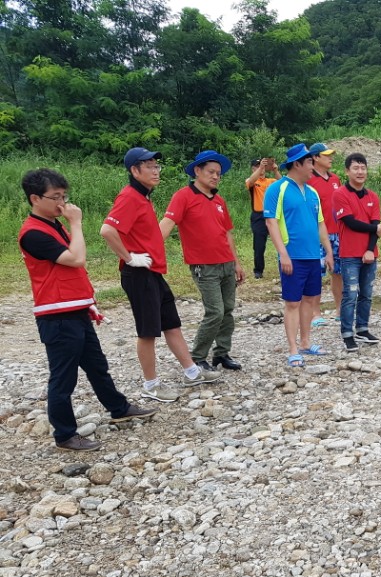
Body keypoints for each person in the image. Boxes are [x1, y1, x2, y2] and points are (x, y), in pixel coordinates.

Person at [19, 168, 157, 451]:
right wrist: (76, 223)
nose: (62, 202)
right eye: (55, 197)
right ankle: (65, 434)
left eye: (64, 195)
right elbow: (76, 258)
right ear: (35, 198)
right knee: (63, 377)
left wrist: (88, 303)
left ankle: (118, 408)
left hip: (75, 309)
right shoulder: (33, 233)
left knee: (97, 366)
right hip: (56, 315)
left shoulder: (53, 225)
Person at [101, 147, 221, 403]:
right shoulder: (130, 196)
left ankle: (191, 372)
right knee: (147, 331)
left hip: (152, 272)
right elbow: (107, 230)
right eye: (149, 166)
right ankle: (151, 385)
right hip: (139, 273)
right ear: (135, 170)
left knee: (171, 322)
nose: (156, 171)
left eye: (157, 166)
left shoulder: (143, 196)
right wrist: (129, 257)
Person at [160, 150, 244, 372]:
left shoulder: (219, 200)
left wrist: (236, 262)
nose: (216, 176)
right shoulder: (183, 196)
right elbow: (167, 223)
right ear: (197, 171)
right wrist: (150, 247)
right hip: (204, 266)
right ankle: (198, 357)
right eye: (211, 172)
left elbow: (227, 233)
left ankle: (222, 353)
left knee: (227, 309)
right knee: (215, 311)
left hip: (226, 263)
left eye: (218, 173)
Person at [263, 143, 335, 367]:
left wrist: (329, 252)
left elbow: (321, 224)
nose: (313, 167)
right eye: (310, 162)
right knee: (293, 302)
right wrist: (283, 254)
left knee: (310, 299)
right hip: (292, 256)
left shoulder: (312, 193)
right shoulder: (278, 189)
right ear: (297, 164)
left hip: (313, 255)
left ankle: (305, 342)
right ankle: (293, 349)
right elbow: (271, 222)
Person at [333, 153, 381, 353]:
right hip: (350, 254)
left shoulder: (373, 196)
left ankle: (362, 328)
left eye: (363, 168)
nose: (360, 172)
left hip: (370, 253)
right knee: (350, 294)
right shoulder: (340, 194)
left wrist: (370, 249)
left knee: (367, 294)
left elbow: (376, 223)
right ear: (347, 171)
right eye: (355, 168)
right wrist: (375, 229)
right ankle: (347, 333)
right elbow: (350, 222)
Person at [307, 142, 342, 327]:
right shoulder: (308, 179)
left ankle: (340, 310)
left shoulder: (335, 178)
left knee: (338, 272)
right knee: (316, 273)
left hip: (338, 232)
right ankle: (315, 313)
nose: (330, 158)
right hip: (317, 234)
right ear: (315, 157)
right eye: (326, 155)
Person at [245, 155, 278, 279]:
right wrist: (260, 169)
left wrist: (275, 170)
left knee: (282, 240)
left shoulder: (270, 181)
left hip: (273, 215)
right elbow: (250, 182)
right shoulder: (252, 181)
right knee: (259, 245)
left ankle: (287, 264)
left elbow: (283, 184)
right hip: (258, 216)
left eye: (263, 166)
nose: (262, 168)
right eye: (258, 166)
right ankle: (258, 270)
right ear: (253, 169)